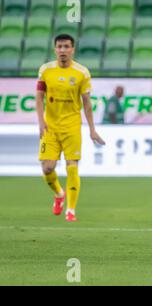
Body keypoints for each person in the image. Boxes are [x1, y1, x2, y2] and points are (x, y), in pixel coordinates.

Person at [36, 34, 105, 222]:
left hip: (72, 126)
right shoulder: (45, 70)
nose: (63, 50)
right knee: (47, 168)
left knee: (72, 166)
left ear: (73, 49)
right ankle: (59, 194)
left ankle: (71, 210)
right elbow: (39, 97)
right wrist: (41, 122)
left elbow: (87, 104)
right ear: (55, 49)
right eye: (59, 47)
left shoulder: (81, 72)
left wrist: (92, 129)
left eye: (66, 46)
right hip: (50, 127)